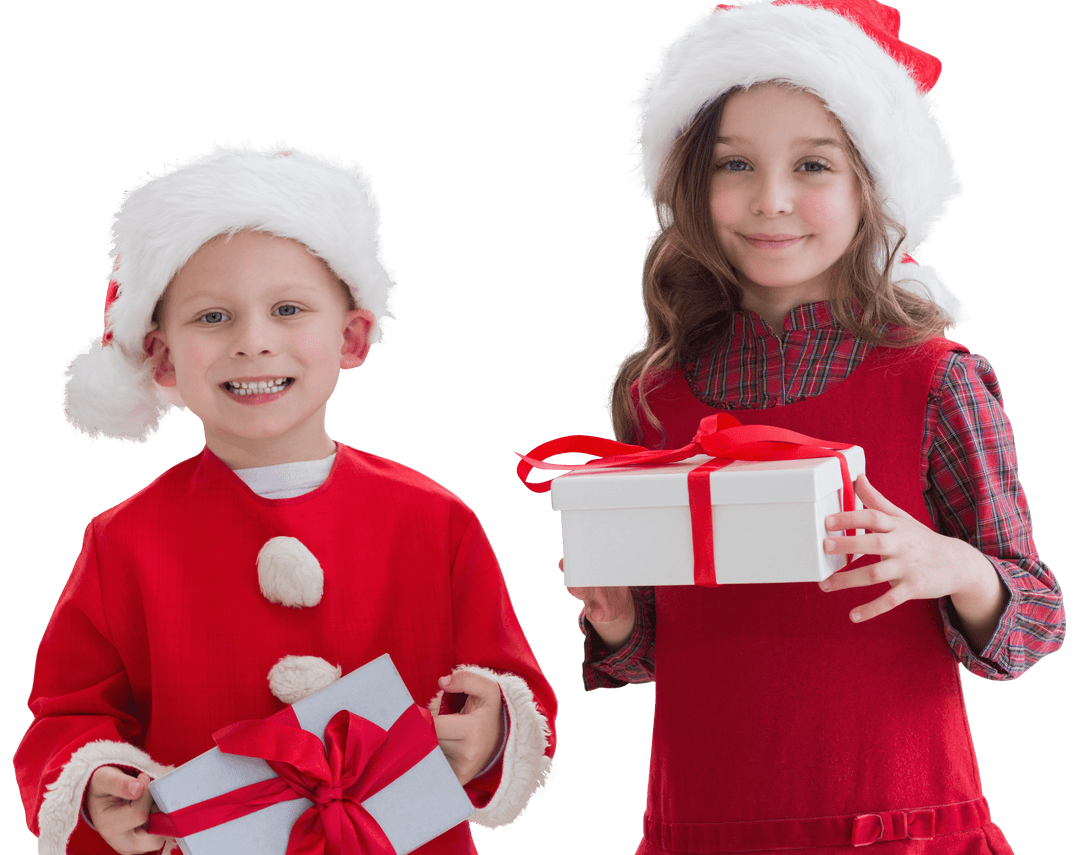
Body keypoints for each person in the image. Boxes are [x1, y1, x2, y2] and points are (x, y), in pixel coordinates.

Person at [569, 2, 1065, 853]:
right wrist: (615, 618)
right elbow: (648, 646)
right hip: (702, 825)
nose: (771, 200)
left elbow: (1037, 618)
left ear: (872, 184)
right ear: (693, 182)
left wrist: (952, 565)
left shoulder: (938, 380)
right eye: (735, 163)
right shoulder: (656, 399)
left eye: (811, 164)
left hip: (897, 826)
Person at [15, 141, 556, 855]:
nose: (254, 342)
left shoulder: (435, 520)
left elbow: (510, 684)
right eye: (213, 317)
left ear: (353, 336)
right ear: (165, 356)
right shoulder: (125, 541)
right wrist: (96, 785)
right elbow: (68, 715)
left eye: (288, 308)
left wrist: (491, 733)